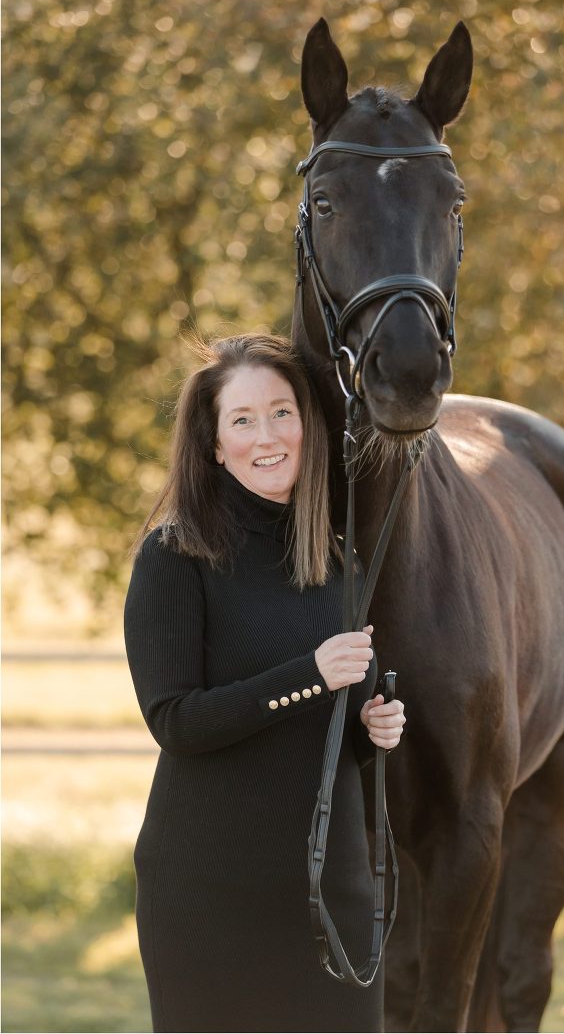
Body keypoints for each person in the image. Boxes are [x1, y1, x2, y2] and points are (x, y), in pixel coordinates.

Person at [124, 333, 406, 1034]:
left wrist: (374, 730)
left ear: (308, 427)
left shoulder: (338, 560)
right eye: (243, 419)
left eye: (282, 412)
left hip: (329, 892)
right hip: (208, 893)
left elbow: (329, 735)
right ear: (215, 444)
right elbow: (176, 722)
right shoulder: (174, 556)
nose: (267, 435)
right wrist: (308, 676)